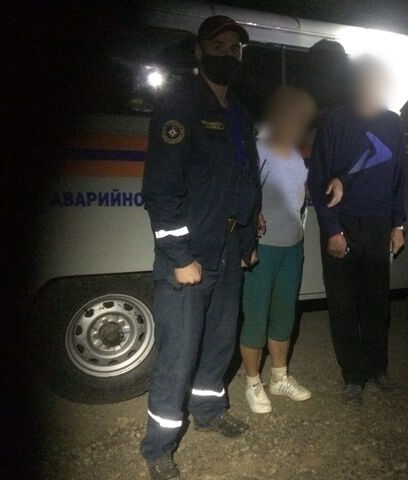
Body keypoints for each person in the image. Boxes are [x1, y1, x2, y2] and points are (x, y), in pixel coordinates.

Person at [139, 16, 260, 480]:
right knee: (178, 354)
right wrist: (180, 256)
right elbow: (160, 191)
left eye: (236, 47)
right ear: (199, 51)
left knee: (219, 342)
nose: (229, 53)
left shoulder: (239, 114)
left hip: (228, 249)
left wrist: (247, 241)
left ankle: (208, 411)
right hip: (192, 255)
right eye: (219, 44)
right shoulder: (180, 106)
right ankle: (158, 447)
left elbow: (246, 182)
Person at [308, 56, 406, 406]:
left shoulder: (393, 123)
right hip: (343, 226)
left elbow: (399, 179)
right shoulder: (335, 121)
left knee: (377, 305)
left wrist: (398, 224)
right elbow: (318, 180)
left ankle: (377, 367)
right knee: (344, 305)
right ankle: (353, 376)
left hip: (378, 227)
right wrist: (332, 229)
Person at [239, 86, 343, 414]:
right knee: (256, 317)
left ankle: (279, 377)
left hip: (291, 247)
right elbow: (241, 188)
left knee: (284, 316)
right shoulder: (257, 147)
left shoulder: (295, 154)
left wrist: (334, 182)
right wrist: (251, 213)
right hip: (263, 247)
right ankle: (252, 382)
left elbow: (305, 191)